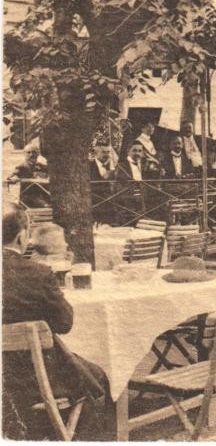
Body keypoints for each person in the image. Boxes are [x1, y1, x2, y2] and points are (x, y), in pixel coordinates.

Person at [2, 203, 111, 440]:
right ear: (21, 238)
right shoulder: (37, 273)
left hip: (6, 378)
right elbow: (64, 324)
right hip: (34, 376)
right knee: (98, 375)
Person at [8, 142, 49, 208]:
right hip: (28, 198)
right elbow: (12, 176)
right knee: (47, 206)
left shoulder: (42, 166)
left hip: (43, 196)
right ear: (24, 154)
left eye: (34, 152)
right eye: (28, 152)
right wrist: (14, 178)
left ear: (38, 153)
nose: (31, 154)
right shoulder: (22, 166)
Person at [89, 142, 117, 225]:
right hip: (94, 202)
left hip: (109, 203)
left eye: (108, 152)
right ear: (96, 153)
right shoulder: (89, 166)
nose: (106, 155)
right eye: (103, 152)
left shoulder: (112, 166)